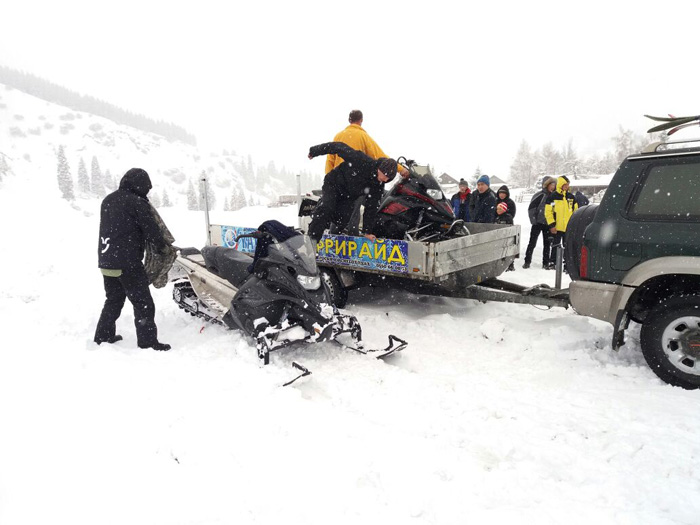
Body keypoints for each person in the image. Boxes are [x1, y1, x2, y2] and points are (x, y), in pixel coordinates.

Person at [94, 168, 172, 351]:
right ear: (140, 186)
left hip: (106, 261)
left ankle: (103, 336)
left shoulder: (109, 200)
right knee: (143, 303)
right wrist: (163, 247)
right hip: (127, 263)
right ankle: (147, 342)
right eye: (147, 188)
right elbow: (151, 230)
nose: (147, 193)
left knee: (113, 300)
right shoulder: (136, 202)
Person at [308, 142, 398, 243]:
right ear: (379, 168)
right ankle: (313, 238)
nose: (383, 179)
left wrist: (367, 232)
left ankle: (325, 222)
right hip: (334, 184)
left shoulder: (378, 185)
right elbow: (338, 146)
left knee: (342, 220)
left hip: (348, 196)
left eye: (387, 179)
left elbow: (371, 207)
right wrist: (314, 151)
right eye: (382, 175)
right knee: (327, 209)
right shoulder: (361, 160)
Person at [325, 109, 408, 178]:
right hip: (355, 183)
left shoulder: (338, 137)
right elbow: (380, 156)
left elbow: (330, 161)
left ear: (349, 120)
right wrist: (400, 169)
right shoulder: (364, 137)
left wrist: (329, 181)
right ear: (361, 120)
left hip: (339, 182)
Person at [544, 175, 578, 272]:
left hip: (568, 227)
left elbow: (576, 211)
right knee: (556, 245)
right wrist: (552, 225)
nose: (567, 187)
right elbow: (548, 212)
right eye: (565, 185)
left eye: (568, 185)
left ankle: (567, 265)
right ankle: (553, 262)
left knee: (568, 247)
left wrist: (574, 224)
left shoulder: (571, 197)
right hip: (557, 227)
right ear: (560, 185)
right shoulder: (552, 197)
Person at [523, 177, 556, 269]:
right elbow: (531, 208)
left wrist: (553, 223)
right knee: (532, 243)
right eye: (551, 184)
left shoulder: (554, 197)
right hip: (537, 223)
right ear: (546, 185)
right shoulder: (539, 195)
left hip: (548, 224)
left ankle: (545, 263)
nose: (552, 187)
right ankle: (527, 261)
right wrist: (534, 221)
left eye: (554, 185)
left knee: (547, 244)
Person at [494, 185, 517, 271]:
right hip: (498, 225)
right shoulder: (496, 201)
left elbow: (512, 214)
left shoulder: (510, 203)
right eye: (500, 193)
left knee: (509, 246)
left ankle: (510, 264)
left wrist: (505, 215)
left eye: (503, 193)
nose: (502, 195)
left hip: (507, 226)